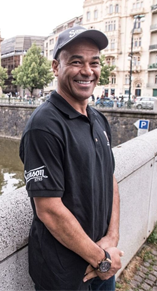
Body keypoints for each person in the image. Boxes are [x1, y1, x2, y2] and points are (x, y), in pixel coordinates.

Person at [19, 25, 123, 291]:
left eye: (94, 62)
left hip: (102, 262)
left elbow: (109, 178)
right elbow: (49, 210)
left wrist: (111, 238)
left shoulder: (98, 118)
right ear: (56, 67)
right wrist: (100, 259)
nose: (87, 71)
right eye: (76, 62)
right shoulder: (44, 125)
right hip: (64, 276)